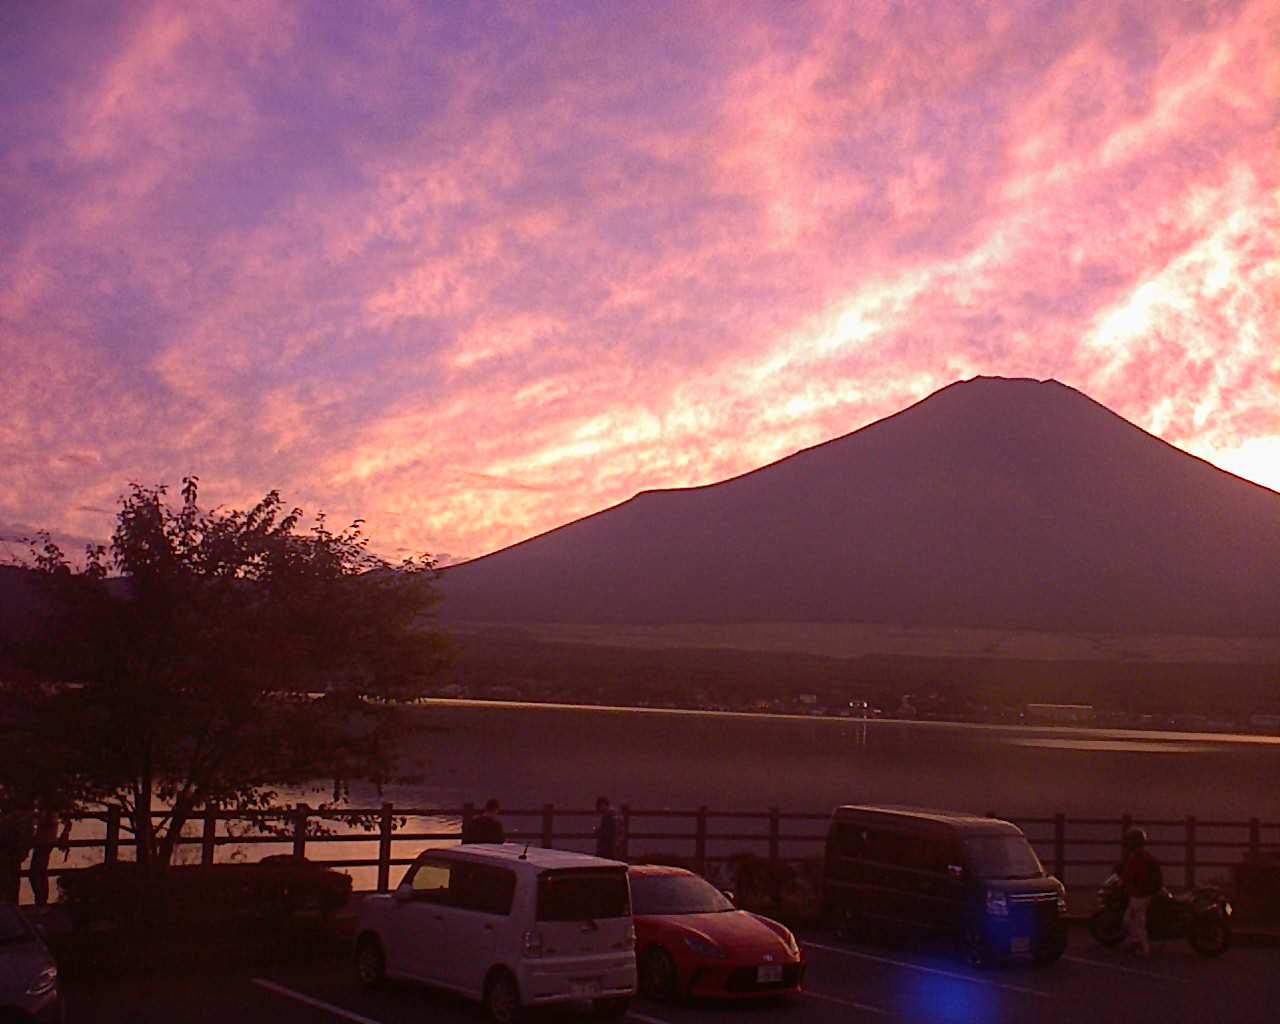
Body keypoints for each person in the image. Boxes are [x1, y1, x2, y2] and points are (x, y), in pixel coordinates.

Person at [1119, 827, 1163, 956]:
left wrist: (1127, 884)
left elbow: (1132, 875)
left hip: (1140, 894)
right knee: (1131, 919)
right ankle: (1135, 943)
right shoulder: (1145, 856)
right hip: (1144, 892)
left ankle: (1143, 948)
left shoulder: (1139, 858)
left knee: (1136, 921)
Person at [29, 806, 71, 907]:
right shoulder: (53, 803)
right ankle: (41, 901)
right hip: (47, 840)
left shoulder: (49, 805)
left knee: (35, 873)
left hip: (44, 841)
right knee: (41, 871)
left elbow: (47, 820)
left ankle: (41, 901)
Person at [0, 807, 34, 904]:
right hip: (12, 855)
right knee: (11, 883)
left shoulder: (13, 820)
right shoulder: (21, 819)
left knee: (9, 883)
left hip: (9, 854)